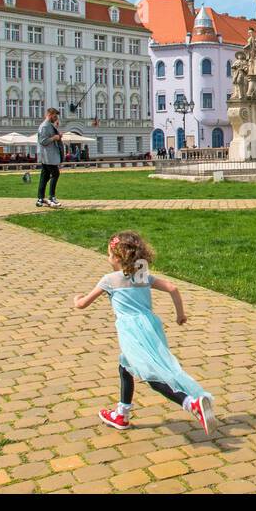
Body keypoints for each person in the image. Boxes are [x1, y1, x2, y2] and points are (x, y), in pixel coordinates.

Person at [75, 230, 215, 435]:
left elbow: (82, 305)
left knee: (150, 374)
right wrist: (180, 315)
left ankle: (190, 403)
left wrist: (76, 299)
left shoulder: (109, 280)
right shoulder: (142, 275)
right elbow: (173, 288)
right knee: (126, 366)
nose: (108, 258)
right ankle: (121, 414)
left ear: (117, 258)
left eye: (109, 254)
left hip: (131, 333)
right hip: (151, 327)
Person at [35, 107, 64, 208]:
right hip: (48, 156)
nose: (56, 118)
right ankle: (52, 197)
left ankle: (40, 198)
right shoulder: (44, 126)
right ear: (50, 115)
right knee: (56, 174)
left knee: (45, 177)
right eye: (55, 116)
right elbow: (43, 141)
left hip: (48, 155)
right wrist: (54, 138)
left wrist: (57, 134)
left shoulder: (49, 126)